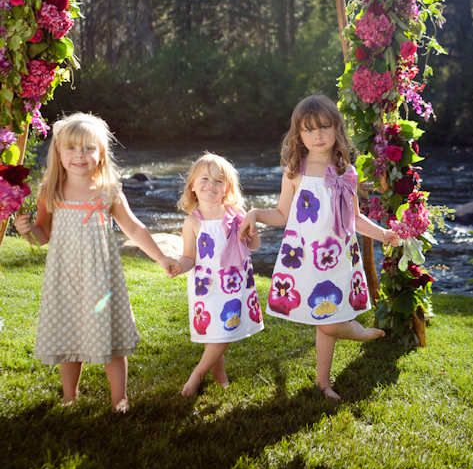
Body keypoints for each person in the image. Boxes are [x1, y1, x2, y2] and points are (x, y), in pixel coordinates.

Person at [239, 95, 400, 401]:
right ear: (298, 135)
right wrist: (255, 214)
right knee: (325, 321)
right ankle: (356, 333)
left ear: (335, 128)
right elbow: (282, 214)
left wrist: (382, 234)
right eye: (309, 129)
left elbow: (354, 218)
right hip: (303, 259)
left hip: (337, 257)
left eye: (324, 127)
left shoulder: (345, 171)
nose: (317, 135)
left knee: (325, 321)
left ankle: (322, 382)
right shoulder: (294, 171)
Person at [14, 112, 178, 412]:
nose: (80, 155)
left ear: (101, 153)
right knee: (68, 331)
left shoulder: (108, 190)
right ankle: (69, 396)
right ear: (59, 154)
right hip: (64, 277)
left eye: (89, 148)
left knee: (110, 335)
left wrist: (162, 257)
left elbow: (134, 228)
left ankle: (119, 399)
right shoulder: (50, 189)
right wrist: (27, 231)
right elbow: (42, 235)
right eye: (72, 148)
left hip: (101, 278)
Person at [170, 152, 263, 397]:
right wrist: (180, 265)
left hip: (234, 284)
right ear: (192, 186)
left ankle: (198, 374)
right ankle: (219, 375)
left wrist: (252, 235)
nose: (211, 185)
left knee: (225, 329)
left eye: (218, 181)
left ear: (227, 189)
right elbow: (190, 257)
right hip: (206, 286)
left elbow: (253, 246)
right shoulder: (192, 222)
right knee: (215, 331)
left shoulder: (236, 214)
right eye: (205, 179)